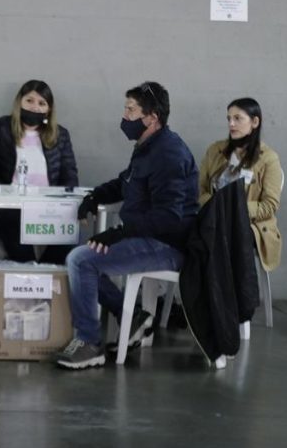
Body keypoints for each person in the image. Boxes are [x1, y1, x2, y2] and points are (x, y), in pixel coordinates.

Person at [56, 82, 199, 370]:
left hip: (167, 245)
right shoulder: (148, 147)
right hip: (146, 236)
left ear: (152, 117)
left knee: (82, 260)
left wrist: (119, 233)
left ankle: (89, 343)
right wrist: (94, 196)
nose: (125, 116)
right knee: (77, 252)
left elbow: (169, 217)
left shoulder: (170, 154)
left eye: (131, 110)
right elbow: (126, 183)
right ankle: (132, 315)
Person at [0, 80, 79, 264]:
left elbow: (69, 176)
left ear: (49, 109)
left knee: (69, 238)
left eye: (41, 103)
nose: (35, 107)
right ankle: (32, 279)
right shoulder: (0, 129)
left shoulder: (61, 135)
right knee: (19, 245)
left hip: (48, 209)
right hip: (10, 208)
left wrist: (61, 204)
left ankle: (44, 276)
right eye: (29, 100)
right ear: (19, 102)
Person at [198, 97, 282, 272]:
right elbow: (200, 190)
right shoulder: (215, 150)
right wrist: (216, 208)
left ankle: (226, 297)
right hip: (214, 220)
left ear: (255, 122)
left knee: (219, 238)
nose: (231, 123)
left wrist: (234, 209)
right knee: (192, 234)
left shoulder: (268, 158)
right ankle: (205, 296)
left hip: (250, 226)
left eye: (237, 118)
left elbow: (269, 206)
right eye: (229, 118)